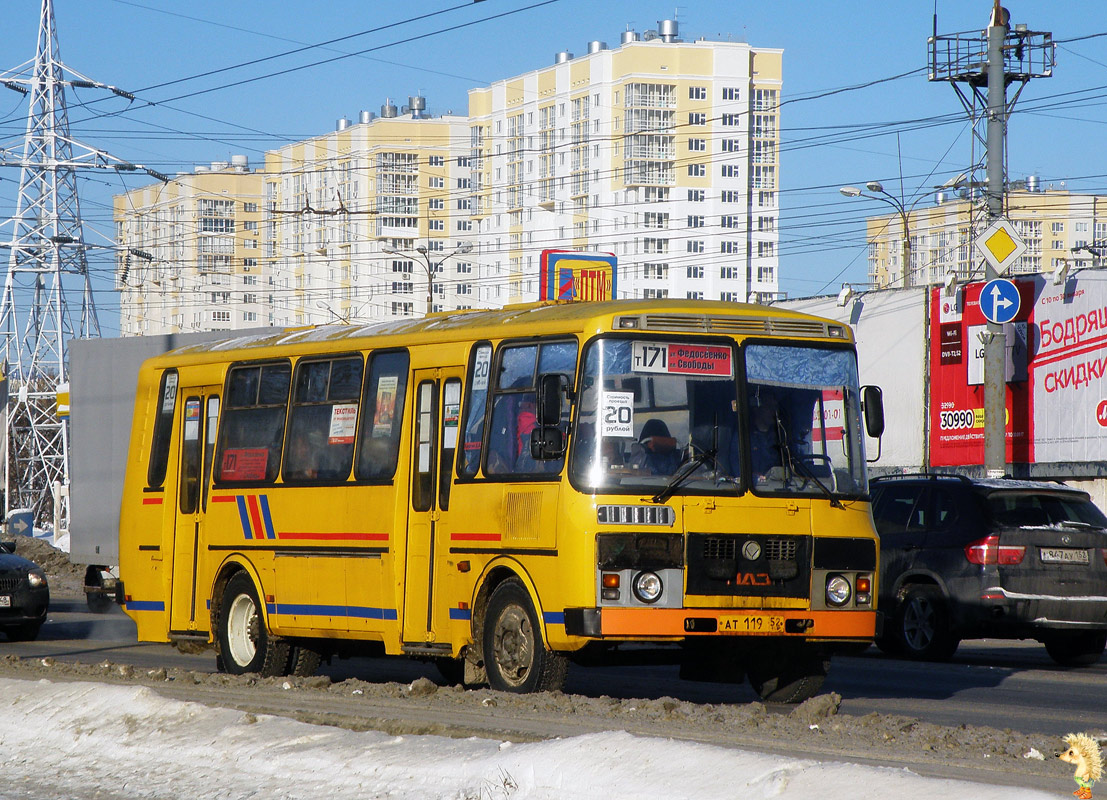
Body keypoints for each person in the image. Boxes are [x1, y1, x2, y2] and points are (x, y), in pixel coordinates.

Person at [748, 389, 783, 483]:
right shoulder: (744, 438)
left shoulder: (781, 438)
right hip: (755, 487)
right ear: (757, 409)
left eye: (775, 408)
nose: (774, 412)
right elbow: (738, 472)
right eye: (769, 407)